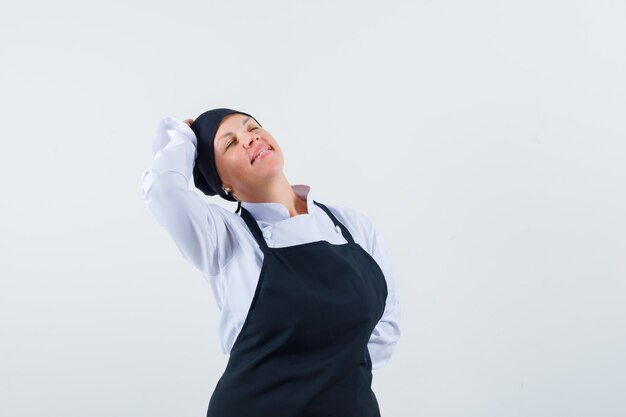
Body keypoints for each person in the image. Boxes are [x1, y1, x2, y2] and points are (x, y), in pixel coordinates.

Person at [141, 108, 401, 416]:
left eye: (252, 127)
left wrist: (329, 378)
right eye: (230, 143)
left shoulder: (353, 226)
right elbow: (163, 189)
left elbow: (386, 328)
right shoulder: (224, 238)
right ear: (222, 182)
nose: (249, 138)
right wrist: (183, 138)